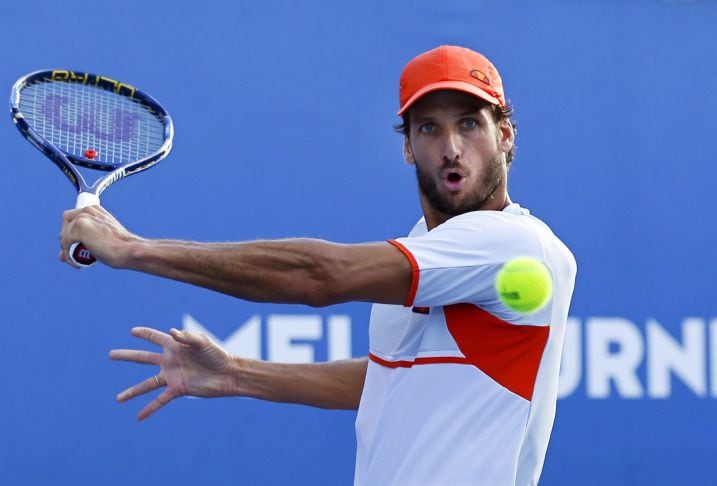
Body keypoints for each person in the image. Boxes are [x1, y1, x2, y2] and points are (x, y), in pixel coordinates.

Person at [59, 45, 577, 486]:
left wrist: (132, 249)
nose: (451, 148)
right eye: (429, 128)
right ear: (407, 147)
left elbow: (320, 276)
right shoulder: (427, 244)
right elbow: (389, 380)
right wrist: (239, 373)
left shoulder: (515, 244)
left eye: (470, 124)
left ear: (505, 134)